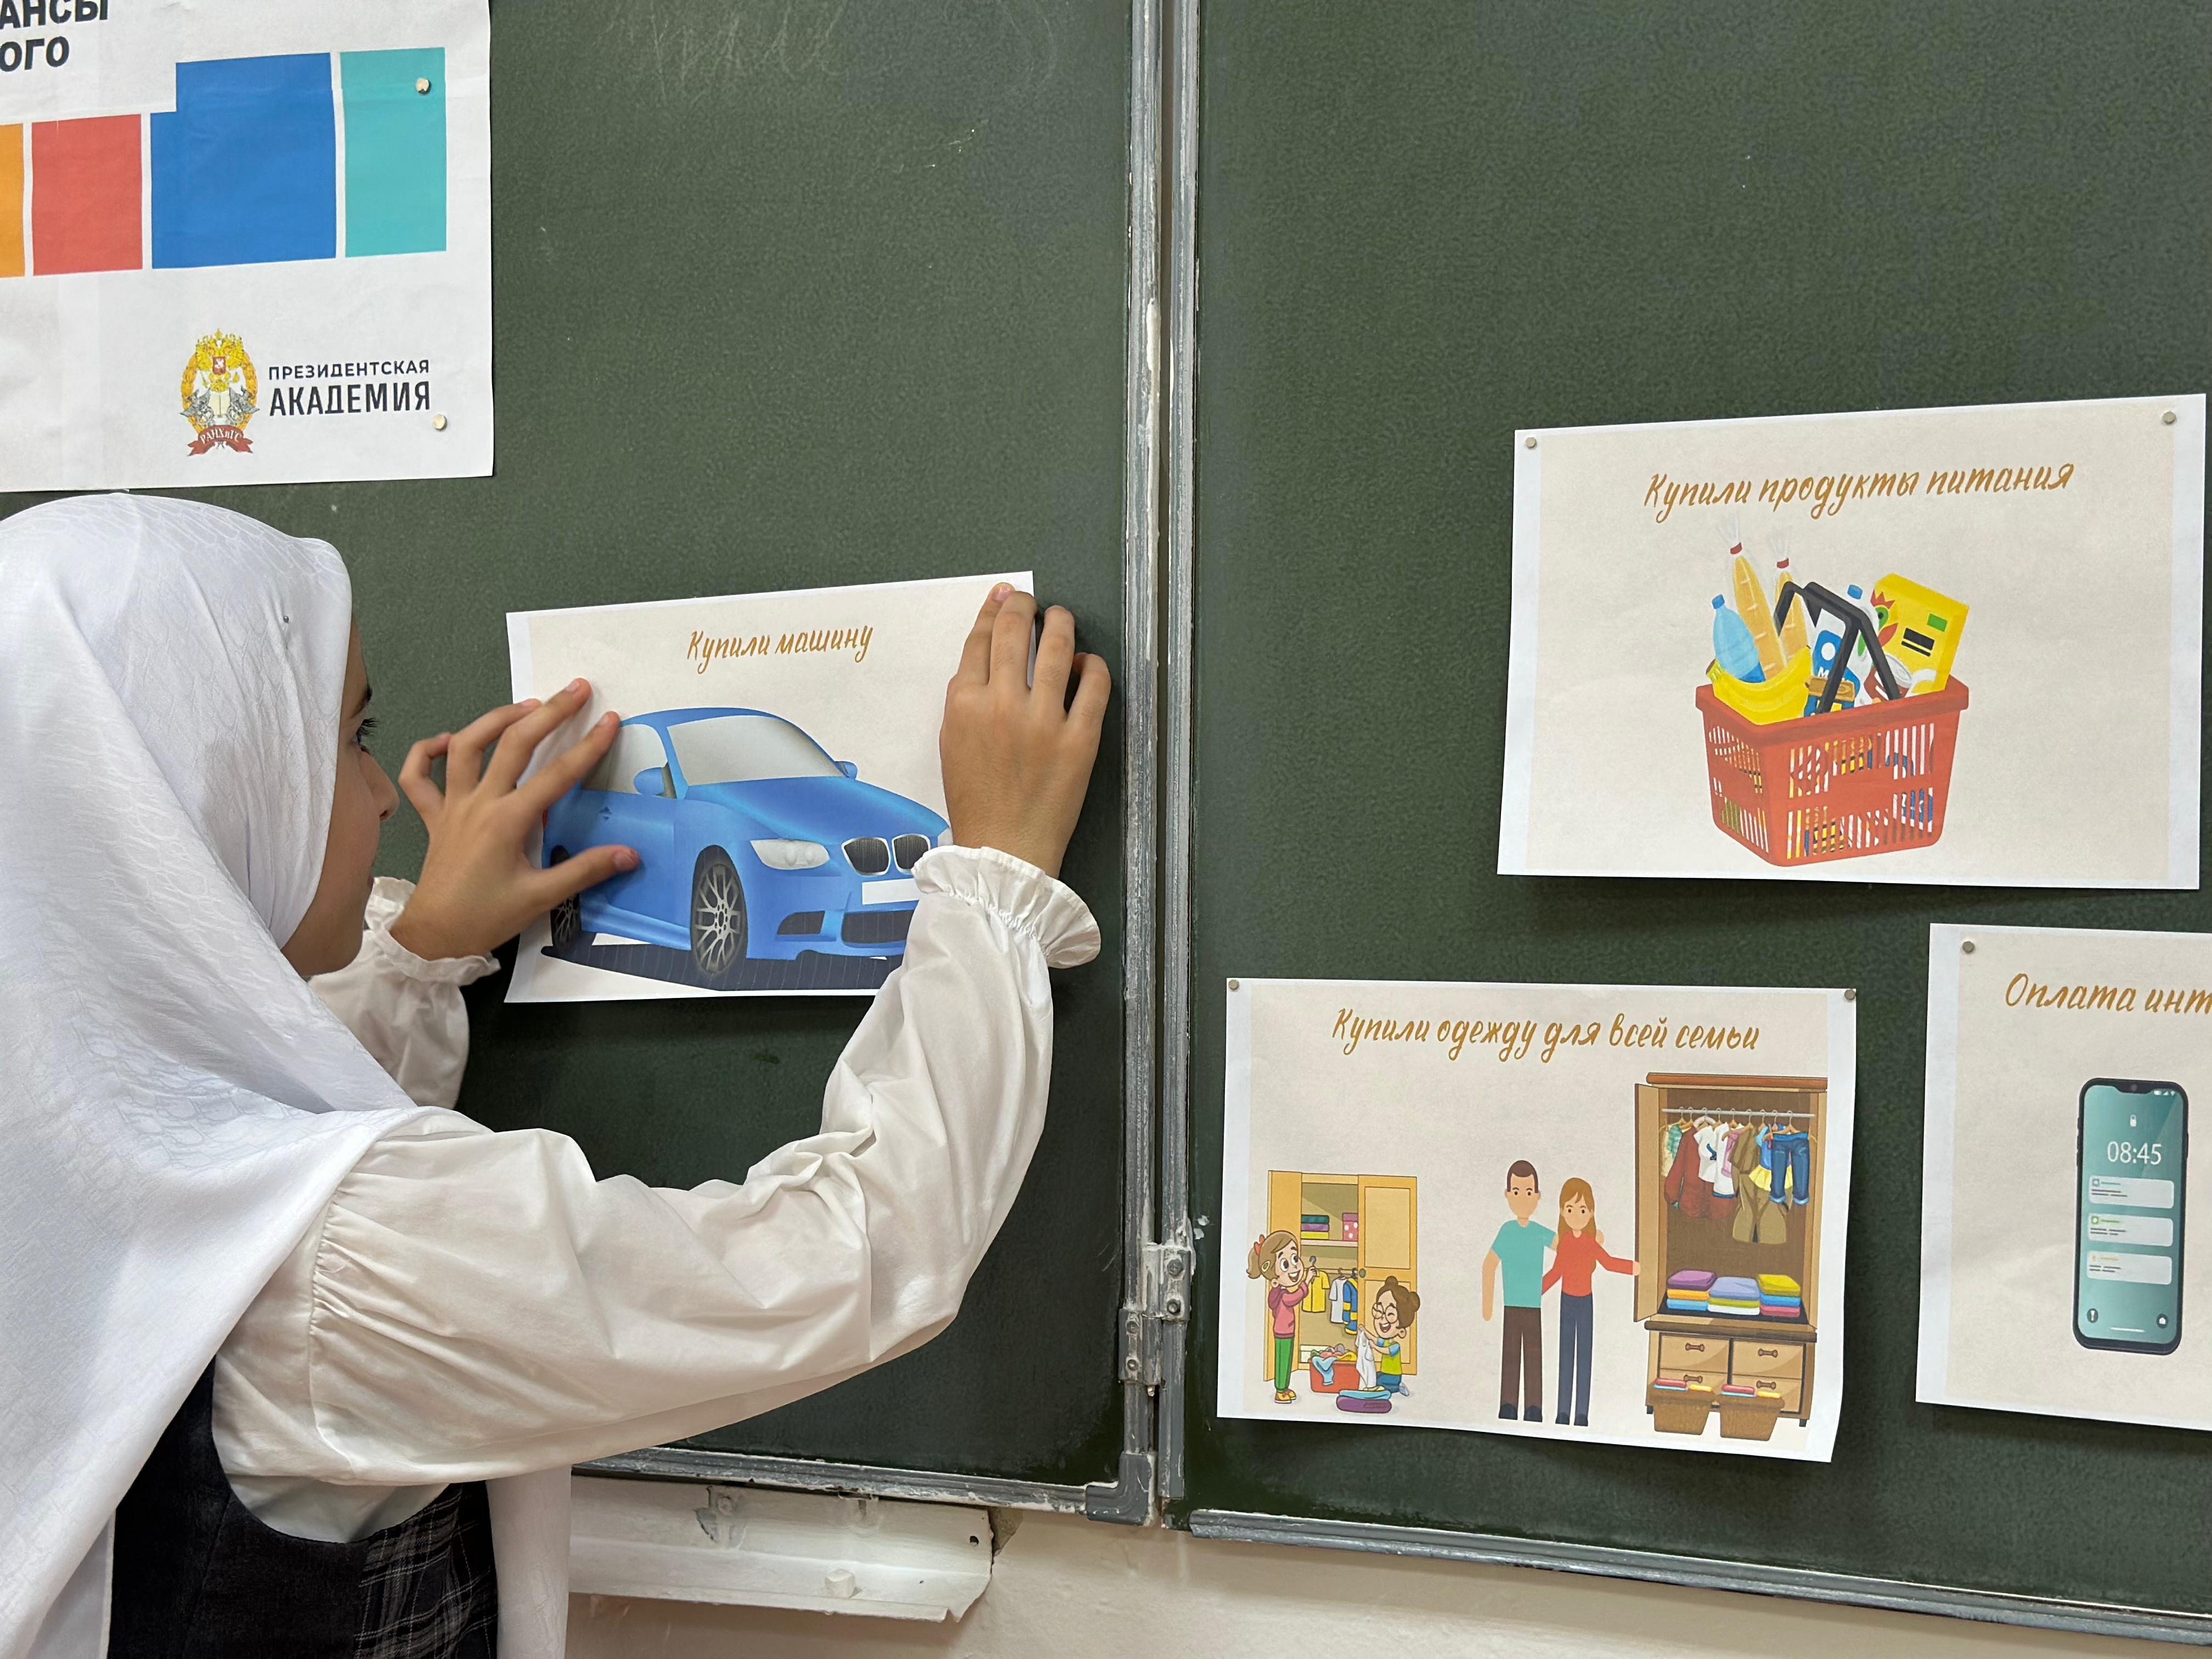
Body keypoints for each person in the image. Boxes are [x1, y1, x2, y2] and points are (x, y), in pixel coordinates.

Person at [0, 494, 1110, 1658]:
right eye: (353, 737)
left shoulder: (69, 1144)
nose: (383, 796)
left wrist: (419, 951)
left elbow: (233, 1142)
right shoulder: (342, 1274)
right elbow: (852, 1256)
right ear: (206, 786)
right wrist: (994, 879)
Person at [1540, 1177, 1637, 1426]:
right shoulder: (1565, 1244)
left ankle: (1581, 1413)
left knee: (1585, 1357)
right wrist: (1534, 1291)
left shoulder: (1590, 1243)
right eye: (1570, 1209)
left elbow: (1609, 1263)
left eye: (1582, 1210)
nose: (1576, 1215)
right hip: (1567, 1302)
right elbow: (1556, 1273)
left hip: (1585, 1303)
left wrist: (1633, 1268)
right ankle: (1563, 1412)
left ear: (1591, 1213)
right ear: (1562, 1212)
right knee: (1566, 1356)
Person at [1480, 1160, 1553, 1423]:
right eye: (1517, 1192)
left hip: (1534, 1306)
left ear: (1538, 1197)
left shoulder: (1539, 1232)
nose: (1523, 1198)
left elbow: (1566, 1247)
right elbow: (1489, 1264)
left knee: (1534, 1357)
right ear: (1508, 1195)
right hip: (1511, 1305)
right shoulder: (1507, 1231)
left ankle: (1534, 1408)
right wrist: (1487, 1306)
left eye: (1529, 1192)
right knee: (1511, 1357)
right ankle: (1508, 1405)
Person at [1246, 1230, 1313, 1403]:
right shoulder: (1282, 1295)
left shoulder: (1278, 1294)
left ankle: (1284, 1387)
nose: (1295, 1267)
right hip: (1284, 1333)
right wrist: (1306, 1282)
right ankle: (1280, 1390)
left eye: (1295, 1259)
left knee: (1286, 1360)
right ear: (1275, 1279)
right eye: (1285, 1264)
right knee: (1283, 1361)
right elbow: (1295, 1297)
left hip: (1285, 1331)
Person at [1359, 1276, 1419, 1398]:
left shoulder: (1395, 1346)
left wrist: (1374, 1347)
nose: (1383, 1318)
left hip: (1393, 1375)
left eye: (1390, 1314)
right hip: (1385, 1372)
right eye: (1379, 1311)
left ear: (1401, 1332)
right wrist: (1364, 1331)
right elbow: (1376, 1339)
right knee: (1376, 1376)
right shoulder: (1386, 1341)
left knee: (1380, 1382)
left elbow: (1386, 1351)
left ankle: (1396, 1387)